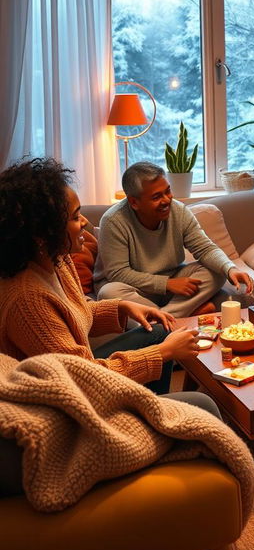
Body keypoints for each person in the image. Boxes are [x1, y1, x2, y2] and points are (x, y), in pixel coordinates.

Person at [0, 158, 208, 396]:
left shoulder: (57, 260)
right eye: (76, 217)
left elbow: (74, 314)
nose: (86, 222)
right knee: (203, 402)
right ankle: (153, 415)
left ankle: (155, 405)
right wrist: (163, 353)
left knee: (159, 330)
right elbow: (82, 379)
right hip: (65, 400)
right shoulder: (28, 300)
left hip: (79, 370)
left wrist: (122, 308)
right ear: (42, 232)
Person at [94, 161, 254, 317]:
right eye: (156, 197)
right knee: (108, 293)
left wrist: (229, 268)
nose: (167, 200)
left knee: (217, 271)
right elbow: (118, 273)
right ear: (134, 202)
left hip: (173, 284)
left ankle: (165, 321)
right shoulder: (113, 221)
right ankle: (179, 317)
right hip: (134, 289)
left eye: (167, 191)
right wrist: (166, 284)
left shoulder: (179, 211)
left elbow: (205, 248)